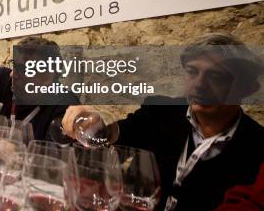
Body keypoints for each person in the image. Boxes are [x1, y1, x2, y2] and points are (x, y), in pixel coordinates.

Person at [62, 32, 264, 211]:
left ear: (247, 88)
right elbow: (115, 136)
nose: (199, 85)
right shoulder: (162, 111)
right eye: (192, 72)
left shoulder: (257, 147)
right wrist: (94, 124)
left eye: (216, 76)